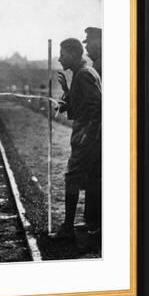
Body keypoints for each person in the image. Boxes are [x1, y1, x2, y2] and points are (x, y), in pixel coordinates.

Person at [52, 38, 101, 241]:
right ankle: (94, 225)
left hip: (87, 138)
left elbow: (98, 106)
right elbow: (82, 106)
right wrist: (67, 96)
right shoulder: (82, 73)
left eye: (62, 55)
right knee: (91, 179)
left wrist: (86, 134)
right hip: (87, 135)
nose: (59, 58)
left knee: (72, 178)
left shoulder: (84, 75)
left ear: (72, 54)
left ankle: (67, 229)